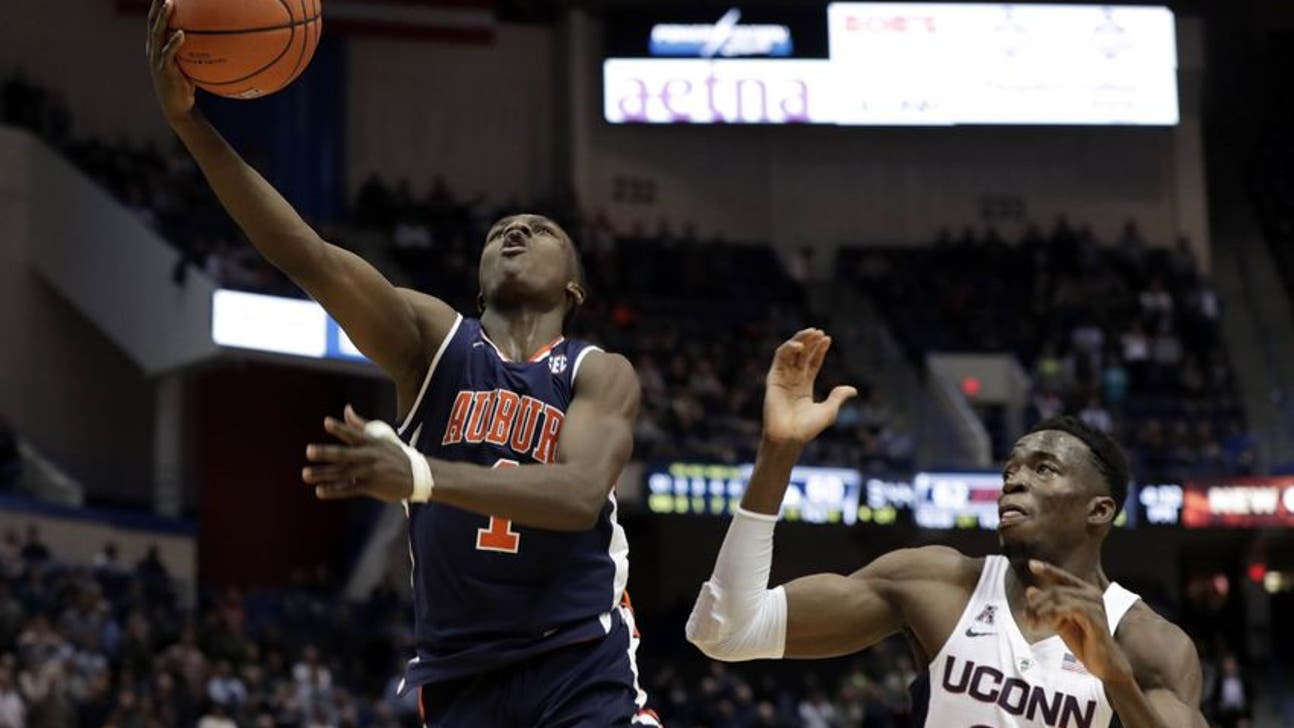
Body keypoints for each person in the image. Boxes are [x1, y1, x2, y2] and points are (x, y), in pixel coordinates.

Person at [146, 2, 657, 725]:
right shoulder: (435, 343)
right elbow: (305, 256)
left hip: (578, 660)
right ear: (478, 279)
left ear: (573, 287)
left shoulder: (597, 373)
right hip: (460, 677)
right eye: (501, 230)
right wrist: (190, 125)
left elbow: (578, 497)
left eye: (537, 229)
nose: (514, 228)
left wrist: (418, 475)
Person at [687, 329, 1207, 728]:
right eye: (1010, 471)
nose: (1014, 482)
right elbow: (728, 631)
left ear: (1099, 510)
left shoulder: (1148, 643)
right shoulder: (939, 583)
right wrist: (778, 453)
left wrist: (1115, 678)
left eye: (1043, 469)